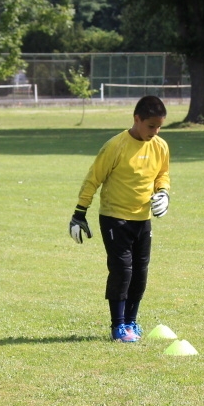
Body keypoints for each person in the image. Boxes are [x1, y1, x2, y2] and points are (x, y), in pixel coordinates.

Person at [68, 96, 172, 342]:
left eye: (159, 127)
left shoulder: (160, 146)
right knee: (122, 271)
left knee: (140, 273)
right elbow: (93, 179)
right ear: (136, 119)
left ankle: (131, 323)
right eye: (150, 126)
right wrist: (79, 214)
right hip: (115, 219)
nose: (155, 132)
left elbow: (162, 174)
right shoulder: (115, 146)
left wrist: (164, 193)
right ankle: (117, 326)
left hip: (142, 219)